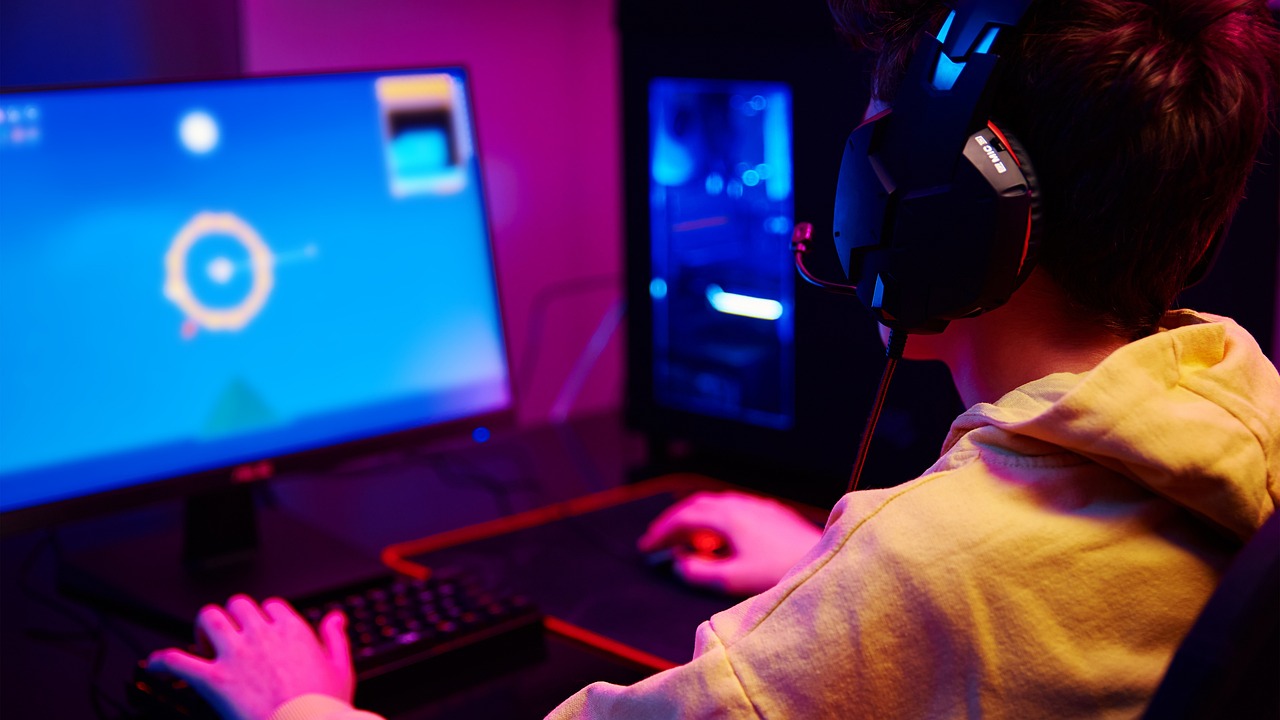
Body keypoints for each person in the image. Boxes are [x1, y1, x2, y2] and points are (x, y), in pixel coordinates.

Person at [149, 0, 1280, 717]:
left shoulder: (932, 569)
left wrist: (295, 706)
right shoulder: (1238, 424)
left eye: (877, 142)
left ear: (941, 207)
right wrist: (822, 571)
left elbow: (944, 590)